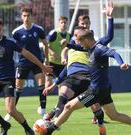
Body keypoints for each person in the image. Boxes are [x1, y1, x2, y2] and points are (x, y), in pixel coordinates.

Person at [44, 28, 131, 135]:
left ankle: (49, 130)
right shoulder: (90, 48)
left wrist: (121, 63)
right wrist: (67, 45)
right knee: (114, 115)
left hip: (95, 92)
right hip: (103, 89)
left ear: (86, 40)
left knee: (68, 107)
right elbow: (77, 47)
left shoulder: (99, 49)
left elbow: (114, 53)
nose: (80, 45)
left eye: (81, 42)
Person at [0, 17, 52, 135]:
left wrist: (42, 66)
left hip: (8, 81)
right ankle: (4, 124)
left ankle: (28, 129)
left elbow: (26, 53)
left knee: (11, 110)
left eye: (0, 30)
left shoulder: (10, 42)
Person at [43, 2, 114, 134]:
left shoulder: (90, 45)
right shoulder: (72, 47)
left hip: (87, 78)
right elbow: (67, 67)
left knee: (95, 105)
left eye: (77, 35)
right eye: (74, 36)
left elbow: (108, 42)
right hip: (72, 78)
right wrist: (54, 84)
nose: (75, 38)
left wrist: (110, 18)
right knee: (63, 97)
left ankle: (100, 123)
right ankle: (51, 123)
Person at [4, 8, 50, 121]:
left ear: (32, 16)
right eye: (24, 16)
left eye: (28, 15)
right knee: (18, 88)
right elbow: (12, 47)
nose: (26, 18)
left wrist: (47, 60)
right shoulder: (16, 32)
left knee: (41, 86)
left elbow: (45, 44)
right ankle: (11, 111)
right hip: (23, 62)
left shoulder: (38, 29)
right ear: (21, 17)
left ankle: (43, 111)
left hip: (37, 62)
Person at [45, 16, 71, 89]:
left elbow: (70, 48)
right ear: (59, 23)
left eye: (65, 22)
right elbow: (45, 46)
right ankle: (44, 100)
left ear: (67, 24)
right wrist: (52, 53)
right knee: (48, 82)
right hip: (51, 61)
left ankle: (61, 100)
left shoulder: (69, 35)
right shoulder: (53, 33)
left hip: (61, 63)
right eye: (61, 22)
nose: (63, 24)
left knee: (62, 84)